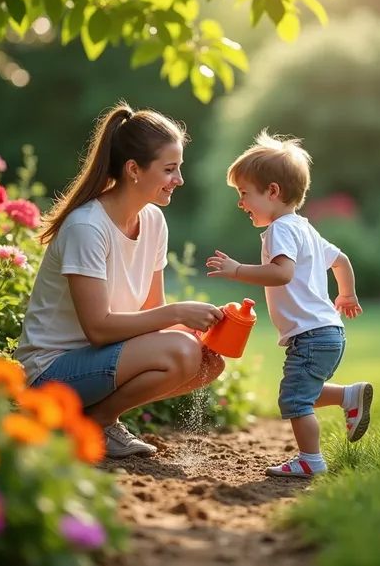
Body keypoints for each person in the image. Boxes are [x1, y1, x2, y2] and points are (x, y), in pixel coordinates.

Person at [14, 102, 225, 459]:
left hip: (96, 362)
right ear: (134, 170)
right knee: (181, 350)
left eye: (180, 168)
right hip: (49, 373)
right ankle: (97, 422)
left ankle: (92, 420)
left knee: (208, 360)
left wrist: (201, 326)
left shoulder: (154, 221)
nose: (179, 180)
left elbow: (151, 311)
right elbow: (98, 328)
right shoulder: (87, 227)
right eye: (170, 169)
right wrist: (177, 315)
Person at [206, 131, 372, 478]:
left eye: (244, 194)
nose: (241, 203)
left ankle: (311, 460)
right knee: (302, 390)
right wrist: (346, 295)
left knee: (295, 401)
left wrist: (237, 271)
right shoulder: (305, 228)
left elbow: (281, 273)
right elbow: (340, 259)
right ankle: (348, 396)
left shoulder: (282, 229)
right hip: (328, 332)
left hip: (311, 336)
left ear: (272, 192)